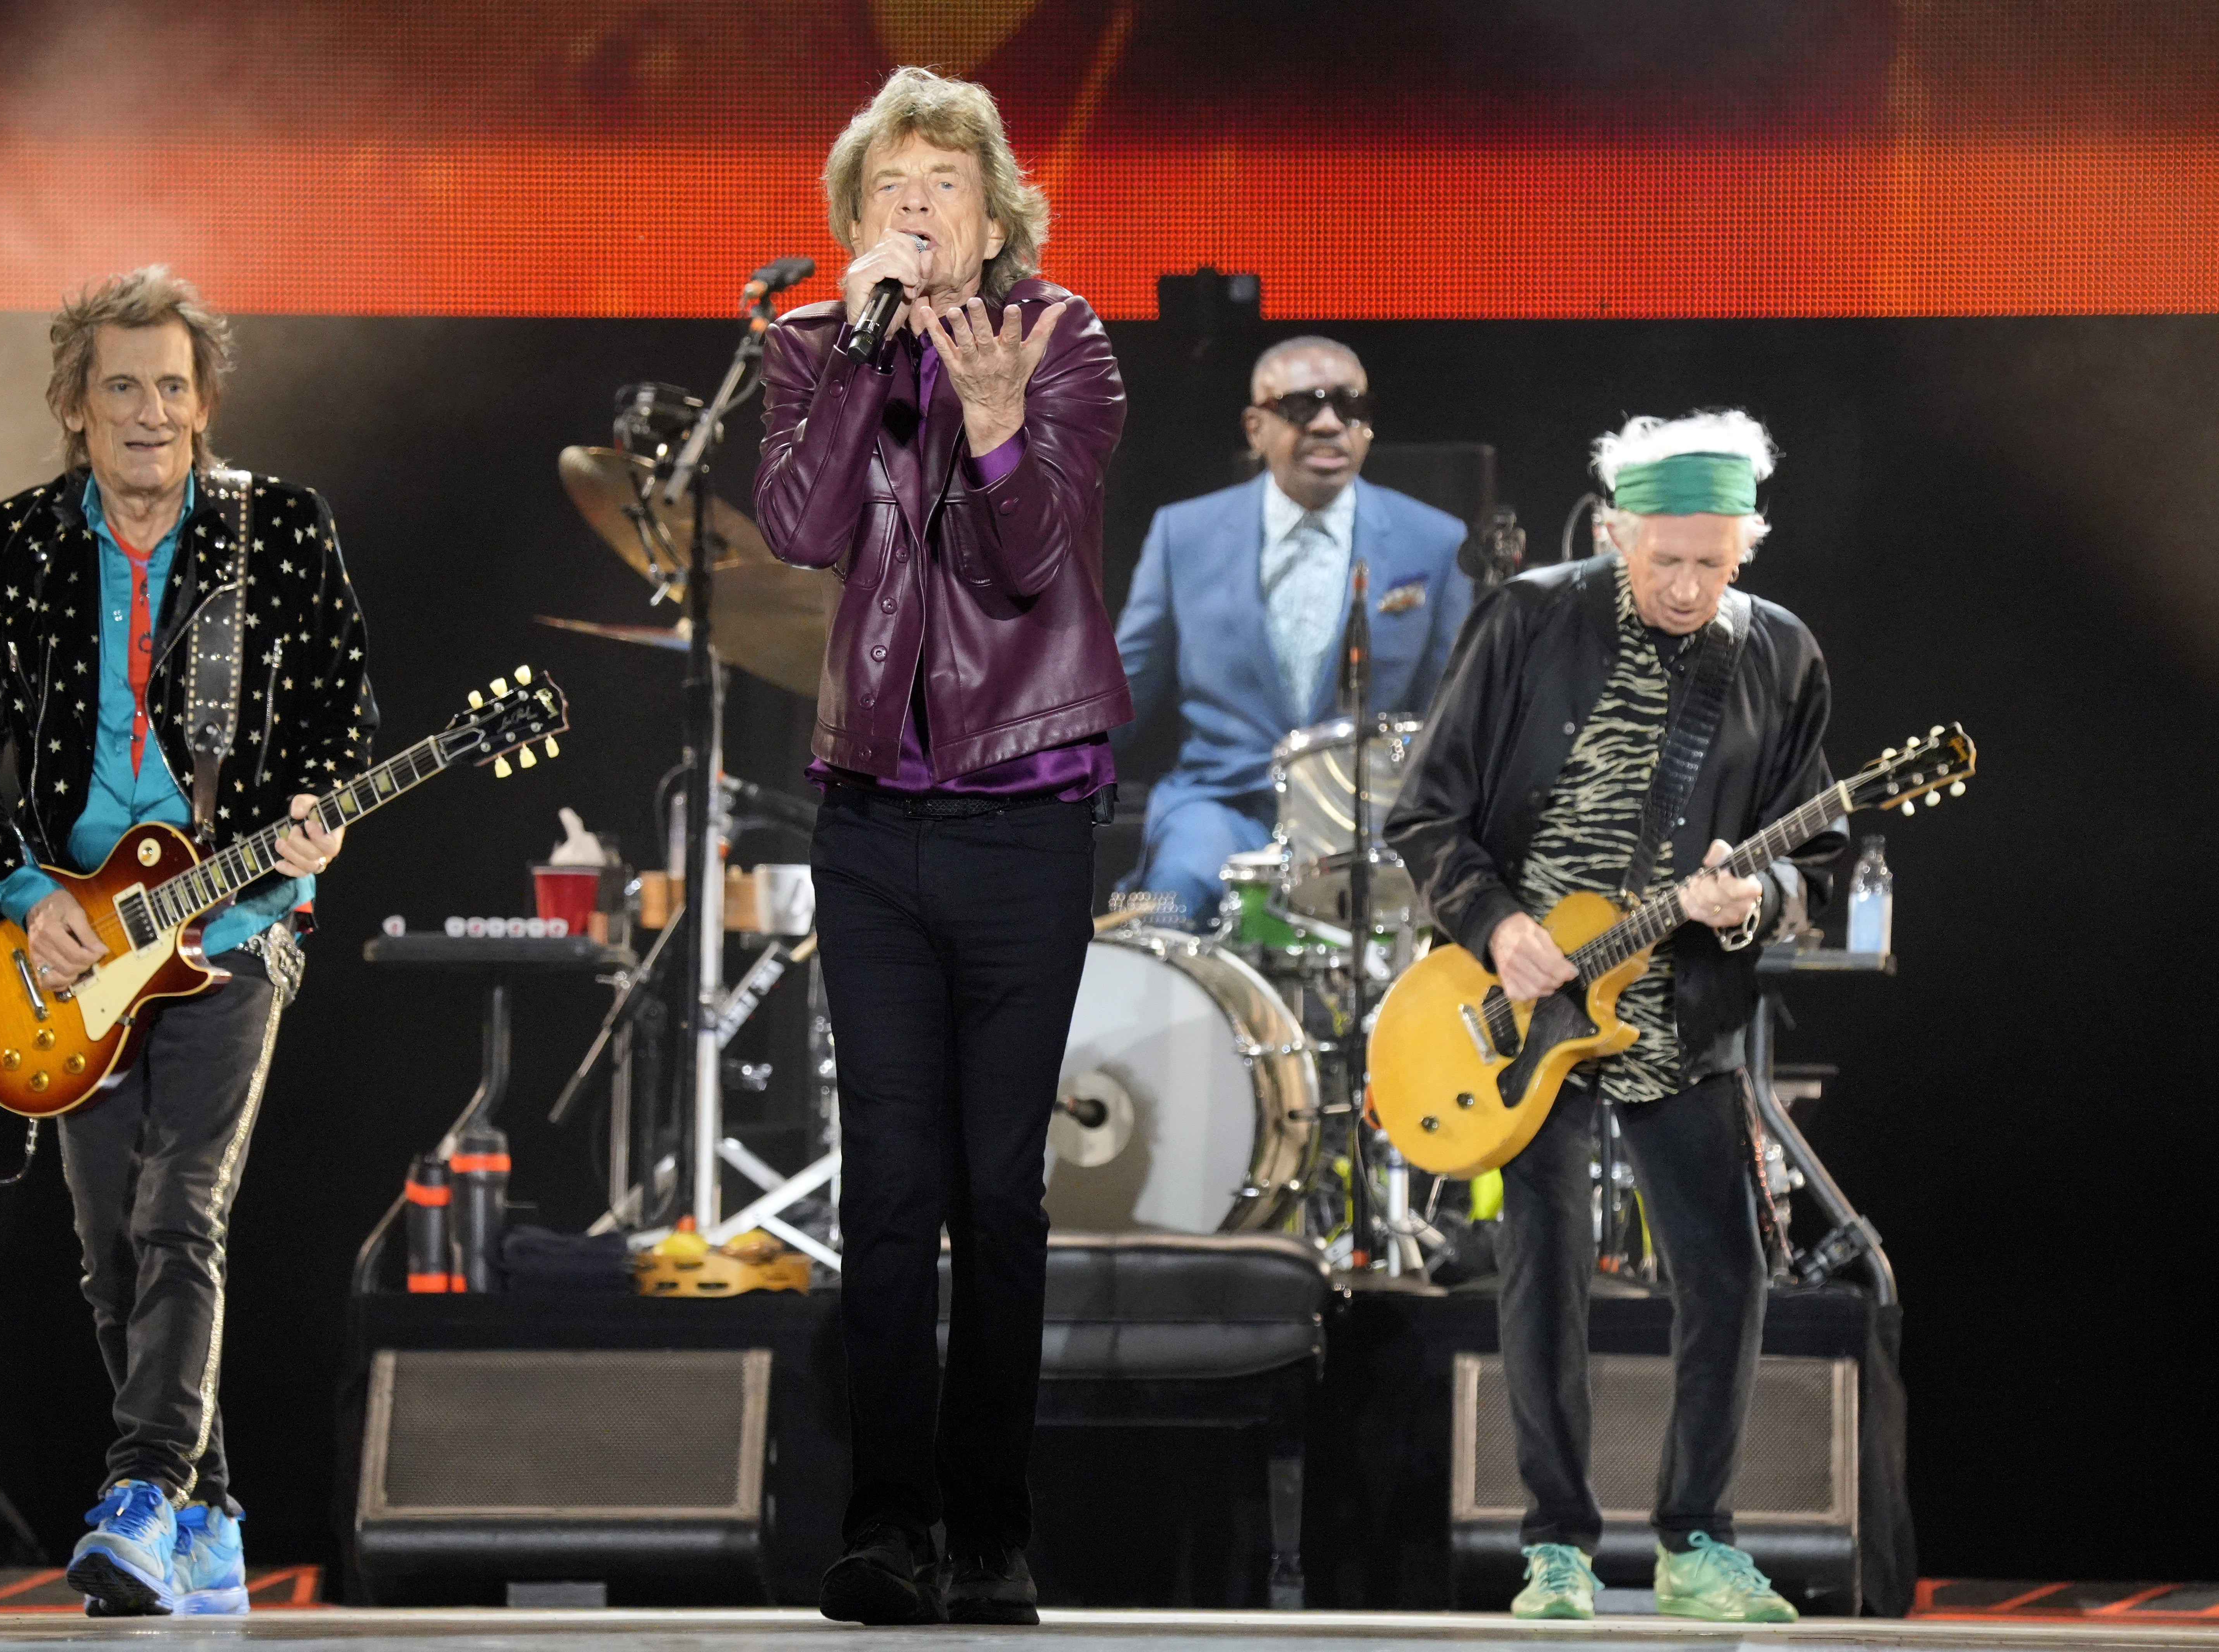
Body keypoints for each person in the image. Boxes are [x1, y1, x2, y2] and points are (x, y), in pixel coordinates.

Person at [0, 267, 375, 1616]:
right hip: (71, 943)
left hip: (232, 920)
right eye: (122, 385)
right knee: (110, 1242)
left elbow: (343, 713)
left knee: (184, 1209)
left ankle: (138, 1490)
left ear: (204, 399)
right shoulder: (19, 542)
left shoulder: (276, 528)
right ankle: (209, 1511)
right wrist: (18, 895)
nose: (152, 411)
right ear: (74, 406)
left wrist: (315, 816)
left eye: (173, 385)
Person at [753, 66, 1127, 1627]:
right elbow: (796, 526)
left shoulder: (1068, 343)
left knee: (1001, 1192)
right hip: (872, 823)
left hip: (1027, 816)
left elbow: (1034, 557)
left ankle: (992, 1530)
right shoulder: (806, 346)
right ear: (859, 219)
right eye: (892, 189)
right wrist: (858, 353)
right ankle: (887, 1524)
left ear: (996, 216)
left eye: (944, 187)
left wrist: (989, 429)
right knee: (890, 1190)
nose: (918, 209)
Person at [1384, 410, 1845, 1623]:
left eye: (1713, 560)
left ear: (1747, 544)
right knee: (1544, 1274)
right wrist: (1495, 926)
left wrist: (1759, 899)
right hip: (1529, 1009)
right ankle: (1556, 1548)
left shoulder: (1782, 656)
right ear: (1616, 532)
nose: (1689, 586)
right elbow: (1425, 813)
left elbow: (1820, 858)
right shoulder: (1530, 618)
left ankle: (1699, 1538)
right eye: (1664, 560)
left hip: (1677, 1004)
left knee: (1728, 1275)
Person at [1112, 336, 1471, 926]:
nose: (1329, 424)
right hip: (1222, 804)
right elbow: (1123, 692)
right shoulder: (1185, 536)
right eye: (1304, 407)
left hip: (1371, 810)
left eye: (1350, 408)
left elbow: (1451, 714)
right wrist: (1029, 777)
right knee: (1171, 899)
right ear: (1256, 428)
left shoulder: (1433, 542)